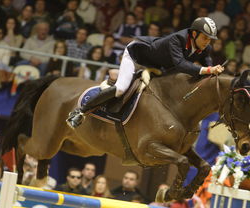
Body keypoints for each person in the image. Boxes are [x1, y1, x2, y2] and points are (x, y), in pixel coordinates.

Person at [67, 17, 224, 129]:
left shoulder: (205, 47)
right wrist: (208, 70)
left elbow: (207, 62)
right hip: (136, 56)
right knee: (121, 88)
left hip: (157, 65)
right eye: (205, 38)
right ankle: (80, 112)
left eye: (210, 39)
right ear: (194, 34)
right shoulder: (177, 39)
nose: (207, 42)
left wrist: (213, 72)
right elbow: (181, 64)